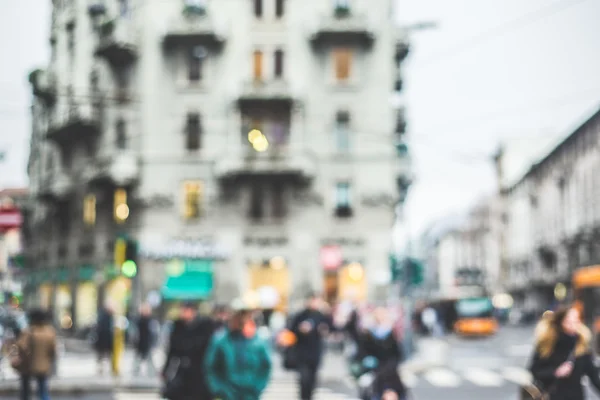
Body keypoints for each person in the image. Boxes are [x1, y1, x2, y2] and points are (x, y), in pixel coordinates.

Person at [204, 301, 272, 400]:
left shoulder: (257, 342)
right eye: (239, 316)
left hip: (250, 394)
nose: (242, 320)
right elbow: (211, 367)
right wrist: (219, 389)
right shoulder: (221, 341)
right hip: (228, 394)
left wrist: (258, 387)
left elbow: (265, 366)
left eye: (245, 316)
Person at [529, 306, 600, 399]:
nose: (573, 324)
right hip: (552, 396)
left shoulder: (581, 346)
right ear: (561, 321)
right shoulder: (547, 344)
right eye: (569, 320)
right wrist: (555, 372)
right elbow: (534, 371)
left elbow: (593, 375)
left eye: (576, 320)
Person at [161, 302, 216, 400]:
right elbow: (172, 351)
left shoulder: (204, 327)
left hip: (199, 372)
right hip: (183, 370)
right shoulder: (178, 327)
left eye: (186, 310)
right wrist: (166, 369)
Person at [358, 307, 407, 400]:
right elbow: (362, 351)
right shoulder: (368, 333)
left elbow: (397, 352)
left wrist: (392, 365)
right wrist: (367, 361)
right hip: (373, 369)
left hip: (389, 369)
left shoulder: (390, 332)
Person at [289, 292, 332, 400]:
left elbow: (331, 327)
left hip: (315, 352)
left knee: (313, 379)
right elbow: (291, 330)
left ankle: (310, 397)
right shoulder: (300, 315)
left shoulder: (321, 315)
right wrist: (300, 329)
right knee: (304, 378)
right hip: (302, 352)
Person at [16, 309, 57, 400]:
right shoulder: (49, 332)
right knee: (43, 389)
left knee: (25, 390)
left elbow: (21, 346)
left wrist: (26, 355)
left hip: (28, 364)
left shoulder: (29, 331)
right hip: (43, 365)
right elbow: (53, 350)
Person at [132, 303, 158, 377]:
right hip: (139, 343)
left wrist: (153, 344)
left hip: (148, 343)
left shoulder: (151, 321)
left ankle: (151, 374)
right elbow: (134, 333)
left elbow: (154, 333)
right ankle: (135, 372)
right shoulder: (138, 320)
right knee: (137, 359)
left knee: (149, 360)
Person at [94, 304, 114, 376]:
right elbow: (101, 329)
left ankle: (105, 369)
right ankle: (101, 369)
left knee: (106, 356)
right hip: (103, 340)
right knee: (101, 355)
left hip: (107, 341)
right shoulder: (103, 317)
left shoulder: (110, 317)